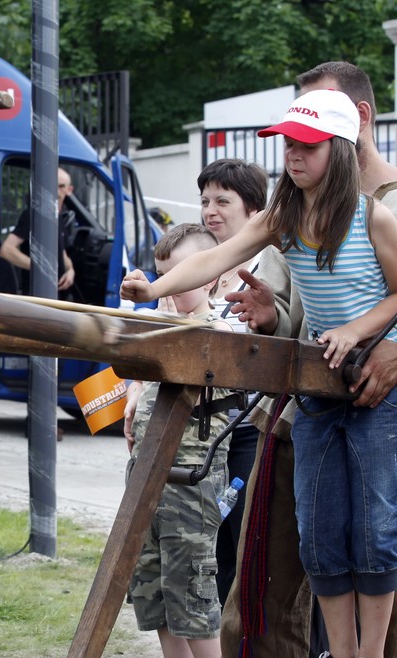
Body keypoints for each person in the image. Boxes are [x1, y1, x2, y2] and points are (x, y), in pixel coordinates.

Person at [121, 88, 397, 658]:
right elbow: (211, 258)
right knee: (320, 537)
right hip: (318, 391)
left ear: (341, 150)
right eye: (287, 145)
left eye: (308, 145)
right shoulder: (283, 216)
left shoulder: (377, 218)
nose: (293, 156)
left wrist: (358, 331)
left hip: (376, 389)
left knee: (374, 533)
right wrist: (155, 288)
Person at [220, 61, 397, 658]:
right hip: (310, 407)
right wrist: (271, 315)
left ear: (355, 120)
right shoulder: (292, 211)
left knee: (377, 545)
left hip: (386, 413)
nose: (295, 146)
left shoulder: (387, 207)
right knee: (271, 592)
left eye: (310, 129)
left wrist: (395, 349)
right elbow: (297, 312)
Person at [123, 223, 233, 658]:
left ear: (208, 276)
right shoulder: (161, 325)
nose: (166, 288)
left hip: (191, 484)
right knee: (155, 591)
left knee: (192, 594)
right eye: (160, 276)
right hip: (147, 476)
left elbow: (202, 356)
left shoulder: (221, 332)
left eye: (177, 277)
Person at [196, 159, 271, 608]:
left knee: (245, 547)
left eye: (223, 201)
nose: (210, 211)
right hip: (199, 429)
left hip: (248, 428)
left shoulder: (268, 264)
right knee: (210, 550)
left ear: (255, 210)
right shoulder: (199, 263)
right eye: (205, 200)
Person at [0, 167, 76, 298]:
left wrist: (71, 271)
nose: (56, 190)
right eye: (52, 185)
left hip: (59, 296)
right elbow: (6, 250)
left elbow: (62, 254)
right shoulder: (33, 215)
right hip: (37, 296)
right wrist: (40, 268)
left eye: (61, 186)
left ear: (69, 190)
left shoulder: (60, 218)